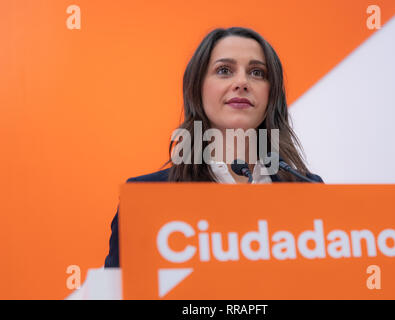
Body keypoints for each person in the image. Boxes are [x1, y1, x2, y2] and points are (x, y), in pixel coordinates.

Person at [104, 27, 324, 268]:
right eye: (224, 70)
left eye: (257, 72)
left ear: (272, 95)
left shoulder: (310, 192)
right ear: (197, 89)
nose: (242, 82)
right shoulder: (145, 200)